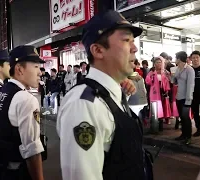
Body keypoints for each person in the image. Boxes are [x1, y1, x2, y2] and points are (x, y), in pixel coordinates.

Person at [57, 10, 153, 180]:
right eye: (126, 40)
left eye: (133, 41)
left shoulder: (114, 93)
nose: (134, 47)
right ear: (98, 50)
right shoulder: (84, 105)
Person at [0, 45, 45, 180]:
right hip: (17, 173)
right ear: (19, 69)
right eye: (36, 67)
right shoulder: (27, 100)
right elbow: (32, 150)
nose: (40, 72)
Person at [173, 51, 195, 145]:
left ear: (178, 58)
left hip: (186, 98)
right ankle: (183, 134)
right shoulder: (177, 68)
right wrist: (171, 77)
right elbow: (175, 82)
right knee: (182, 117)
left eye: (176, 58)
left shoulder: (189, 69)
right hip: (179, 96)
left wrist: (188, 100)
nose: (175, 59)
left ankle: (188, 137)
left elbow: (191, 85)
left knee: (186, 118)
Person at [146, 56, 171, 131]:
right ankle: (154, 125)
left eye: (160, 62)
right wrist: (152, 78)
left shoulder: (165, 72)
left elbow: (168, 81)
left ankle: (161, 125)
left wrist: (166, 90)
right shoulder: (151, 72)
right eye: (157, 62)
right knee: (155, 108)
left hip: (163, 92)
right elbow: (147, 81)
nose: (159, 64)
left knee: (162, 107)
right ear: (154, 64)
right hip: (154, 92)